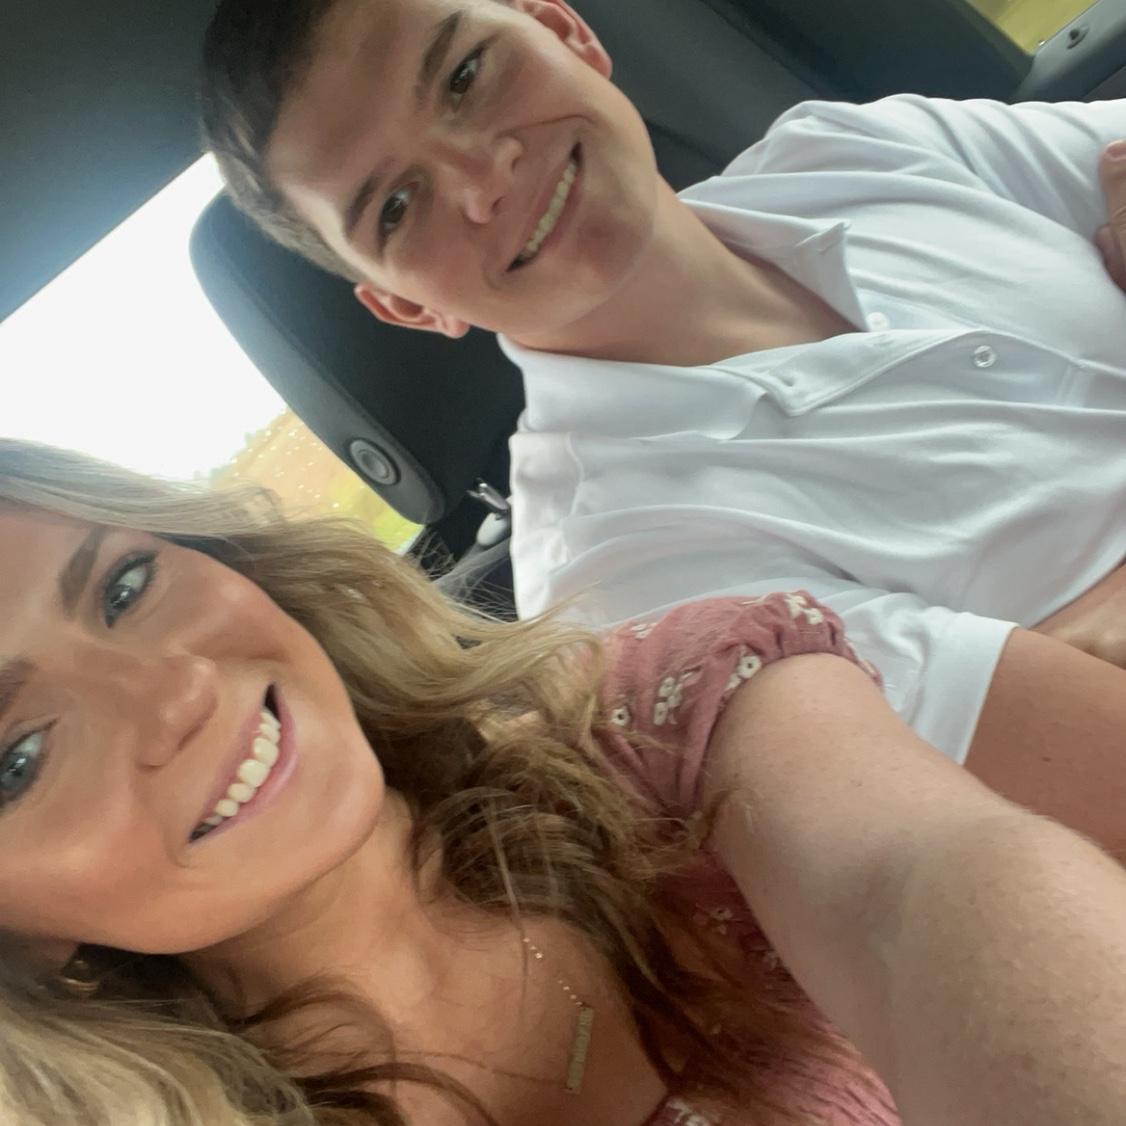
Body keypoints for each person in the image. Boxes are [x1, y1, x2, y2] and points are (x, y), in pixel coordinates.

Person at [198, 0, 1126, 847]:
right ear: (408, 307)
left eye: (465, 76)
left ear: (564, 32)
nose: (483, 178)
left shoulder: (847, 148)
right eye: (398, 207)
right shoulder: (623, 586)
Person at [2, 435, 1126, 1126]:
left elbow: (918, 889)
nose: (177, 694)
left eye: (124, 585)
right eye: (18, 756)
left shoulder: (661, 717)